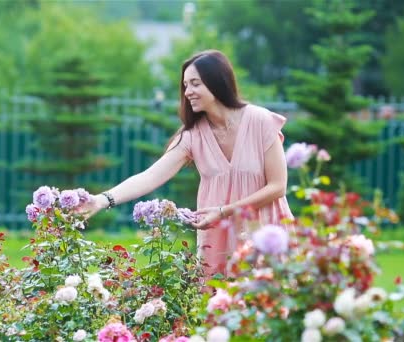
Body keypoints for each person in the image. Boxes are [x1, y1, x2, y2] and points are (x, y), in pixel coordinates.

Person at [79, 50, 293, 276]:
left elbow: (278, 186)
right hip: (219, 240)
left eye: (195, 84)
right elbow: (150, 177)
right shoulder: (192, 136)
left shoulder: (260, 121)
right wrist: (102, 200)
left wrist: (224, 211)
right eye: (185, 85)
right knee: (218, 306)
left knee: (271, 305)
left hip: (266, 233)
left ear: (217, 83)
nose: (188, 92)